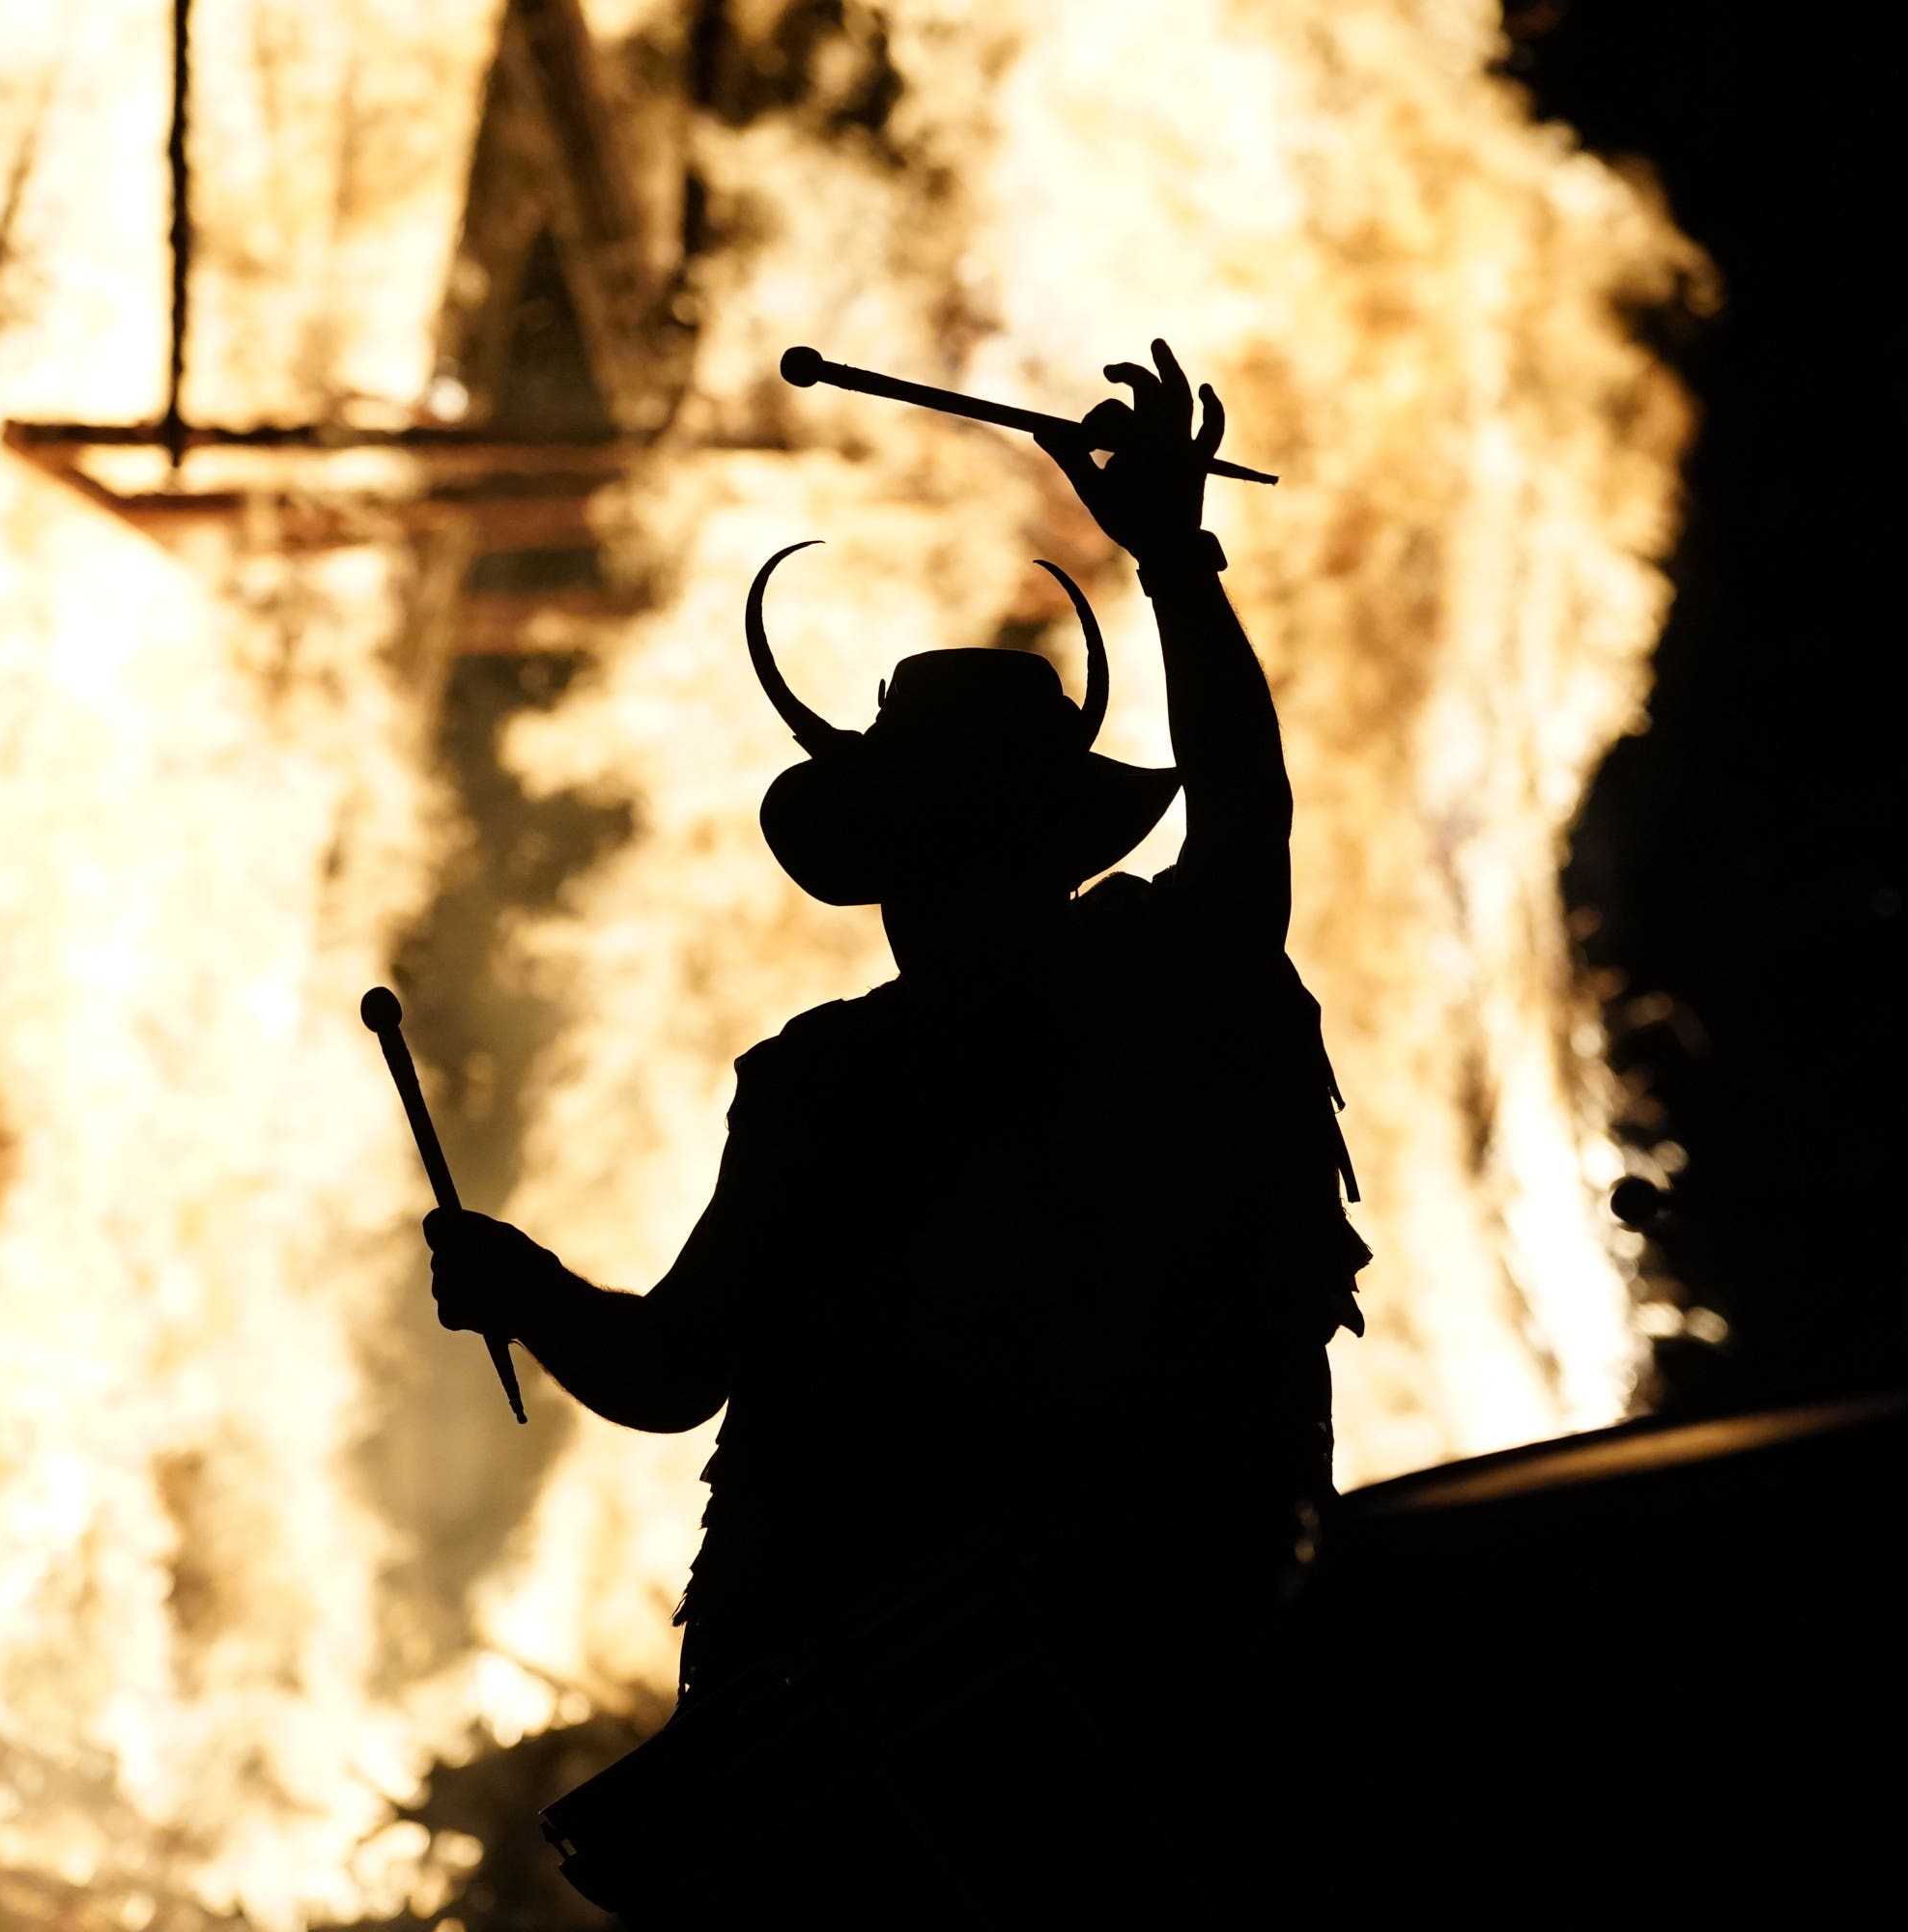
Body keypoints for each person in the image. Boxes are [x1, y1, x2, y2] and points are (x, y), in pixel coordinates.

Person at [427, 341, 1367, 1922]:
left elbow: (669, 1374)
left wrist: (519, 1287)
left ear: (898, 865)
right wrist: (1174, 559)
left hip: (866, 1715)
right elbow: (1249, 815)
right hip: (1166, 1672)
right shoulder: (1171, 979)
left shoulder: (832, 1081)